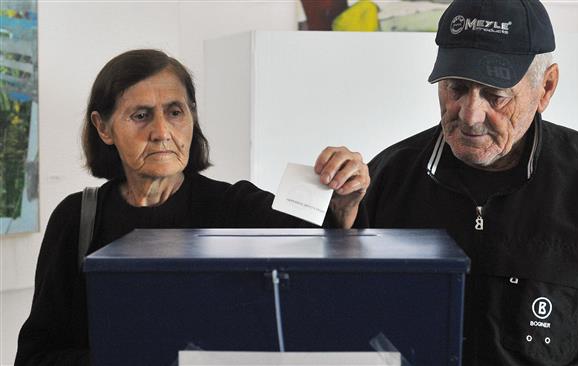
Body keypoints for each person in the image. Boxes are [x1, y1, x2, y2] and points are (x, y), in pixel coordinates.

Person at [15, 49, 369, 365]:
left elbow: (331, 260)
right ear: (103, 127)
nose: (161, 131)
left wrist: (343, 202)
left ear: (192, 118)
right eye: (140, 115)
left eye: (174, 112)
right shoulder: (78, 219)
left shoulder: (234, 208)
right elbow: (37, 355)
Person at [358, 0, 578, 365]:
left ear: (546, 87)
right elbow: (344, 311)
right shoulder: (389, 177)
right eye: (456, 88)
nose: (470, 115)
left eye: (496, 95)